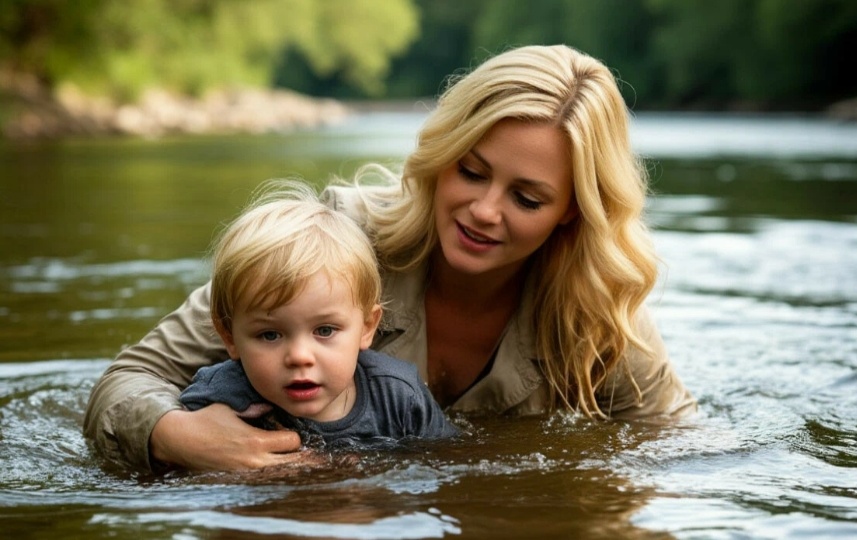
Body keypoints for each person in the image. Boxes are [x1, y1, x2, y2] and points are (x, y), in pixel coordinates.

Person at [84, 44, 697, 474]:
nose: (484, 210)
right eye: (471, 171)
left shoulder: (597, 310)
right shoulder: (333, 243)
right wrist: (177, 436)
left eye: (526, 197)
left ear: (572, 211)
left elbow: (680, 441)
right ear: (443, 152)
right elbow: (126, 381)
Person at [176, 183, 459, 455]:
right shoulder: (221, 396)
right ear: (229, 336)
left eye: (324, 330)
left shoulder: (399, 397)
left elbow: (445, 465)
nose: (300, 357)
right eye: (270, 335)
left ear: (367, 327)